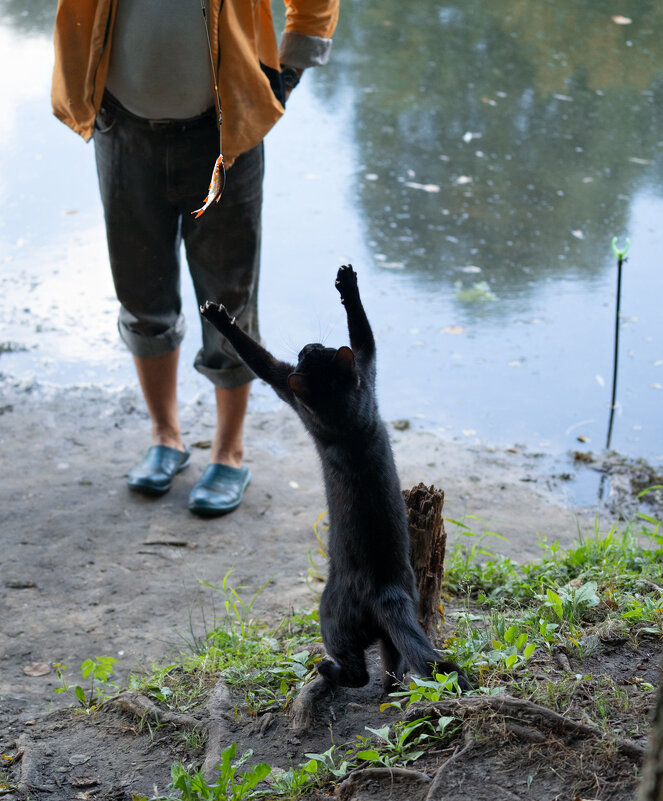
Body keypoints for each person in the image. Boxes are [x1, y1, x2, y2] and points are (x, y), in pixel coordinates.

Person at [51, 0, 339, 516]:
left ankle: (229, 452)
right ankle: (166, 437)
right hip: (122, 128)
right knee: (140, 291)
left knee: (229, 299)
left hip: (226, 131)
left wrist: (288, 70)